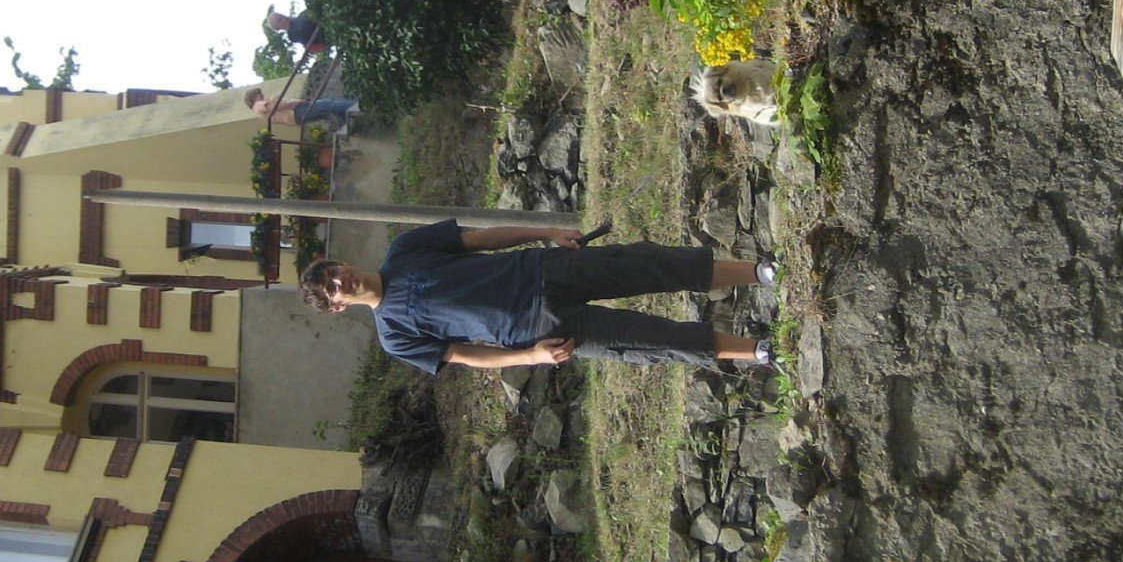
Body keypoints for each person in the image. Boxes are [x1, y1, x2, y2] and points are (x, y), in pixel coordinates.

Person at [298, 220, 778, 373]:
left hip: (546, 270)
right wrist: (531, 355)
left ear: (342, 264)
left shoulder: (404, 250)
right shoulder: (394, 337)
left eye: (333, 272)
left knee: (653, 266)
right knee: (651, 341)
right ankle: (758, 351)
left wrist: (546, 232)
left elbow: (481, 239)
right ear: (338, 306)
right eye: (332, 290)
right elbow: (466, 355)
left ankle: (761, 272)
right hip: (544, 331)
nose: (340, 281)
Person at [246, 89, 360, 130]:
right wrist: (298, 102)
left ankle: (346, 122)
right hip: (295, 111)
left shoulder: (259, 113)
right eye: (259, 94)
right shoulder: (258, 105)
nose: (261, 95)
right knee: (328, 104)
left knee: (327, 110)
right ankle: (358, 105)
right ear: (254, 97)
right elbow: (276, 107)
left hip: (295, 118)